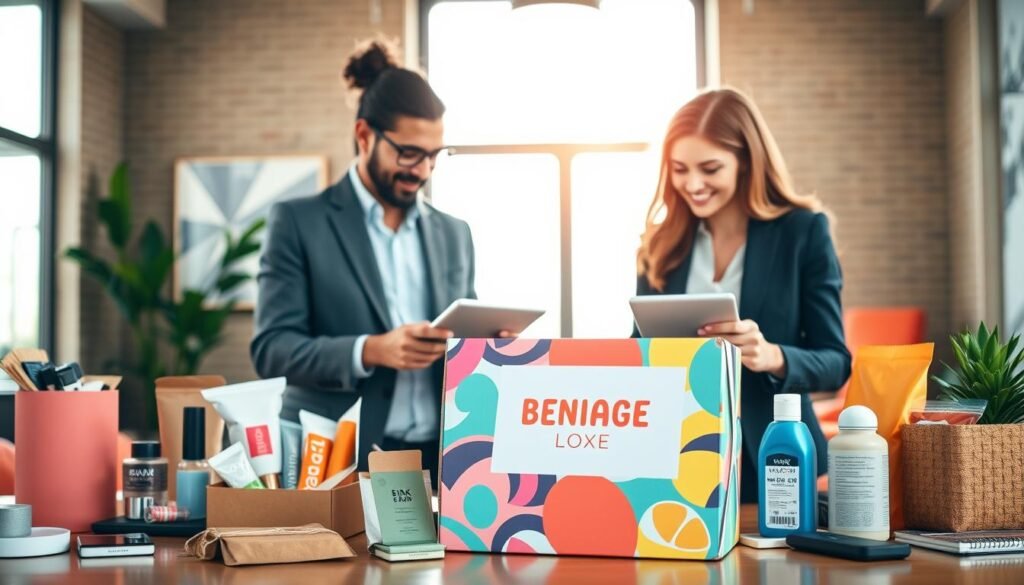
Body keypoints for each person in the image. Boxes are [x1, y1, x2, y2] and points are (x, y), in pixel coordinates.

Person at [251, 41, 475, 487]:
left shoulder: (455, 233)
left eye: (434, 155)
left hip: (442, 456)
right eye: (409, 153)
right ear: (364, 135)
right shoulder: (299, 222)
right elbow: (272, 349)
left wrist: (489, 347)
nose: (422, 170)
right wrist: (371, 350)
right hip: (343, 457)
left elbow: (461, 340)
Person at [634, 88, 851, 503]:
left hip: (772, 460)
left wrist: (771, 355)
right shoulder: (661, 244)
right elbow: (638, 349)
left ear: (747, 161)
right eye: (679, 169)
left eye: (710, 168)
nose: (692, 184)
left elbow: (836, 362)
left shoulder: (802, 232)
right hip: (678, 455)